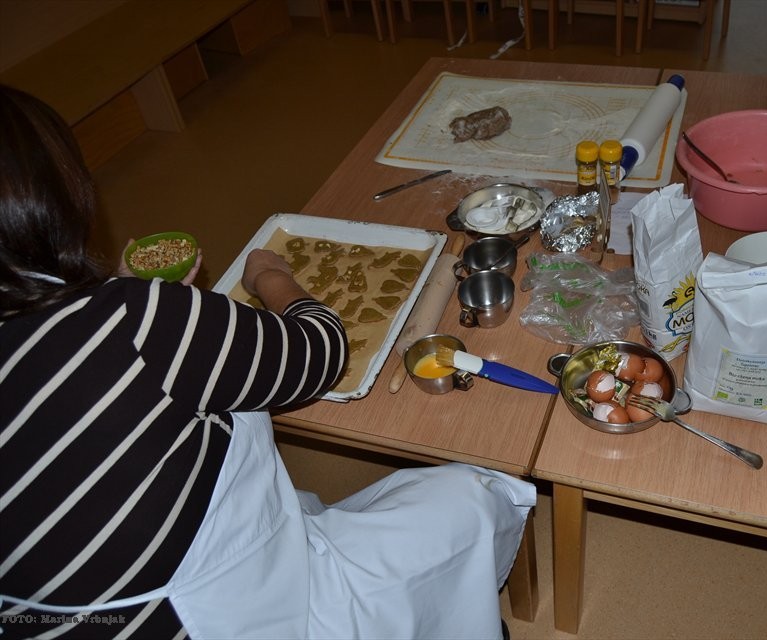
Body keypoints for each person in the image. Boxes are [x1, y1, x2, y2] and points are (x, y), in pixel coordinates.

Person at [0, 84, 535, 639]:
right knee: (474, 500)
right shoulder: (133, 320)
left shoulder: (117, 319)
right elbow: (322, 351)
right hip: (238, 617)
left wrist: (130, 300)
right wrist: (271, 279)